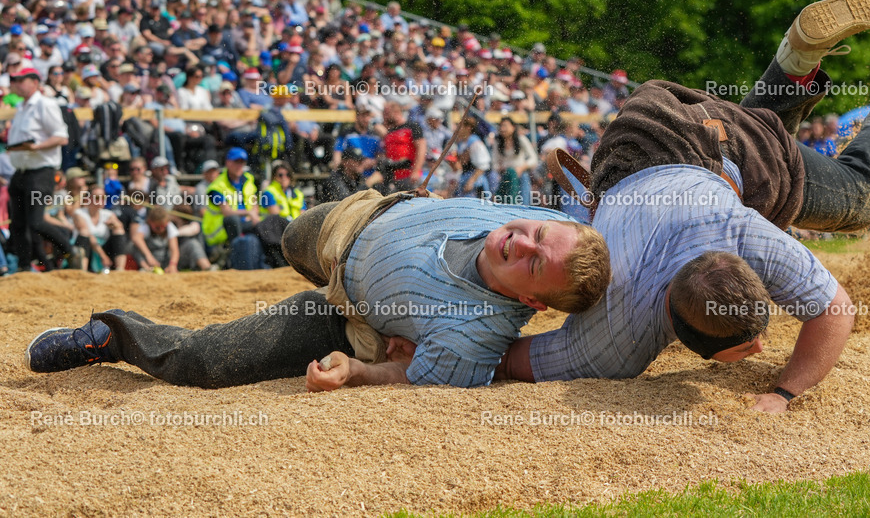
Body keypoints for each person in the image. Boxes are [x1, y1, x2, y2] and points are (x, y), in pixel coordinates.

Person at [500, 0, 870, 412]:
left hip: (689, 144)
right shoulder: (615, 337)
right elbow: (509, 359)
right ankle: (816, 72)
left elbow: (836, 311)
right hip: (631, 144)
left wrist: (785, 394)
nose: (761, 348)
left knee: (856, 202)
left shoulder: (621, 335)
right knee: (759, 161)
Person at [26, 194, 611, 391]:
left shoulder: (473, 338)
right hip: (349, 218)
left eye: (535, 266)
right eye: (537, 234)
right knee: (286, 236)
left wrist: (356, 373)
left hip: (341, 313)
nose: (523, 244)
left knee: (205, 361)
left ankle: (109, 337)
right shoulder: (538, 217)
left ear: (532, 303)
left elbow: (414, 380)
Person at [5, 67, 71, 272]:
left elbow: (61, 137)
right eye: (13, 80)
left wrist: (36, 147)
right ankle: (25, 268)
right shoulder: (22, 107)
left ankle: (70, 250)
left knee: (35, 222)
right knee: (18, 224)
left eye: (19, 79)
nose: (15, 83)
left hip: (41, 171)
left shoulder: (45, 104)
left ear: (34, 82)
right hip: (22, 171)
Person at [201, 147, 260, 247]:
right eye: (236, 162)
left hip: (247, 223)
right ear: (228, 163)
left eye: (242, 162)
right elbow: (227, 212)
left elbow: (255, 203)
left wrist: (253, 215)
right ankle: (238, 253)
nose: (239, 165)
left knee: (270, 222)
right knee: (233, 220)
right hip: (222, 230)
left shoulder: (248, 179)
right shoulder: (217, 186)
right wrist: (249, 213)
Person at [129, 205, 212, 273]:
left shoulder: (169, 227)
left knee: (192, 244)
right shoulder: (146, 227)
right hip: (150, 261)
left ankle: (207, 268)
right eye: (158, 227)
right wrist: (149, 257)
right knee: (134, 247)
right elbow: (136, 238)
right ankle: (146, 269)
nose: (161, 229)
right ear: (150, 222)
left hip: (166, 260)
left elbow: (174, 250)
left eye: (163, 226)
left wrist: (172, 265)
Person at [73, 184, 128, 272]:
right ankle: (81, 271)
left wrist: (114, 225)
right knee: (84, 233)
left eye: (103, 197)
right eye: (97, 197)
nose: (101, 200)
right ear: (89, 199)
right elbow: (88, 235)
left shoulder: (107, 214)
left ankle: (120, 269)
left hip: (103, 249)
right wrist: (103, 256)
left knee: (118, 230)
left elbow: (120, 227)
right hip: (88, 250)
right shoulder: (79, 213)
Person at [492, 116, 538, 205]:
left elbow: (533, 158)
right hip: (504, 174)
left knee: (522, 177)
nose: (502, 129)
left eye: (505, 126)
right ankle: (511, 204)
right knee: (507, 173)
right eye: (501, 126)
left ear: (513, 127)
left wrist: (522, 167)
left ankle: (521, 205)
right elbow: (494, 163)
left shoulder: (521, 139)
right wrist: (500, 168)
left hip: (520, 173)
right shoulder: (497, 142)